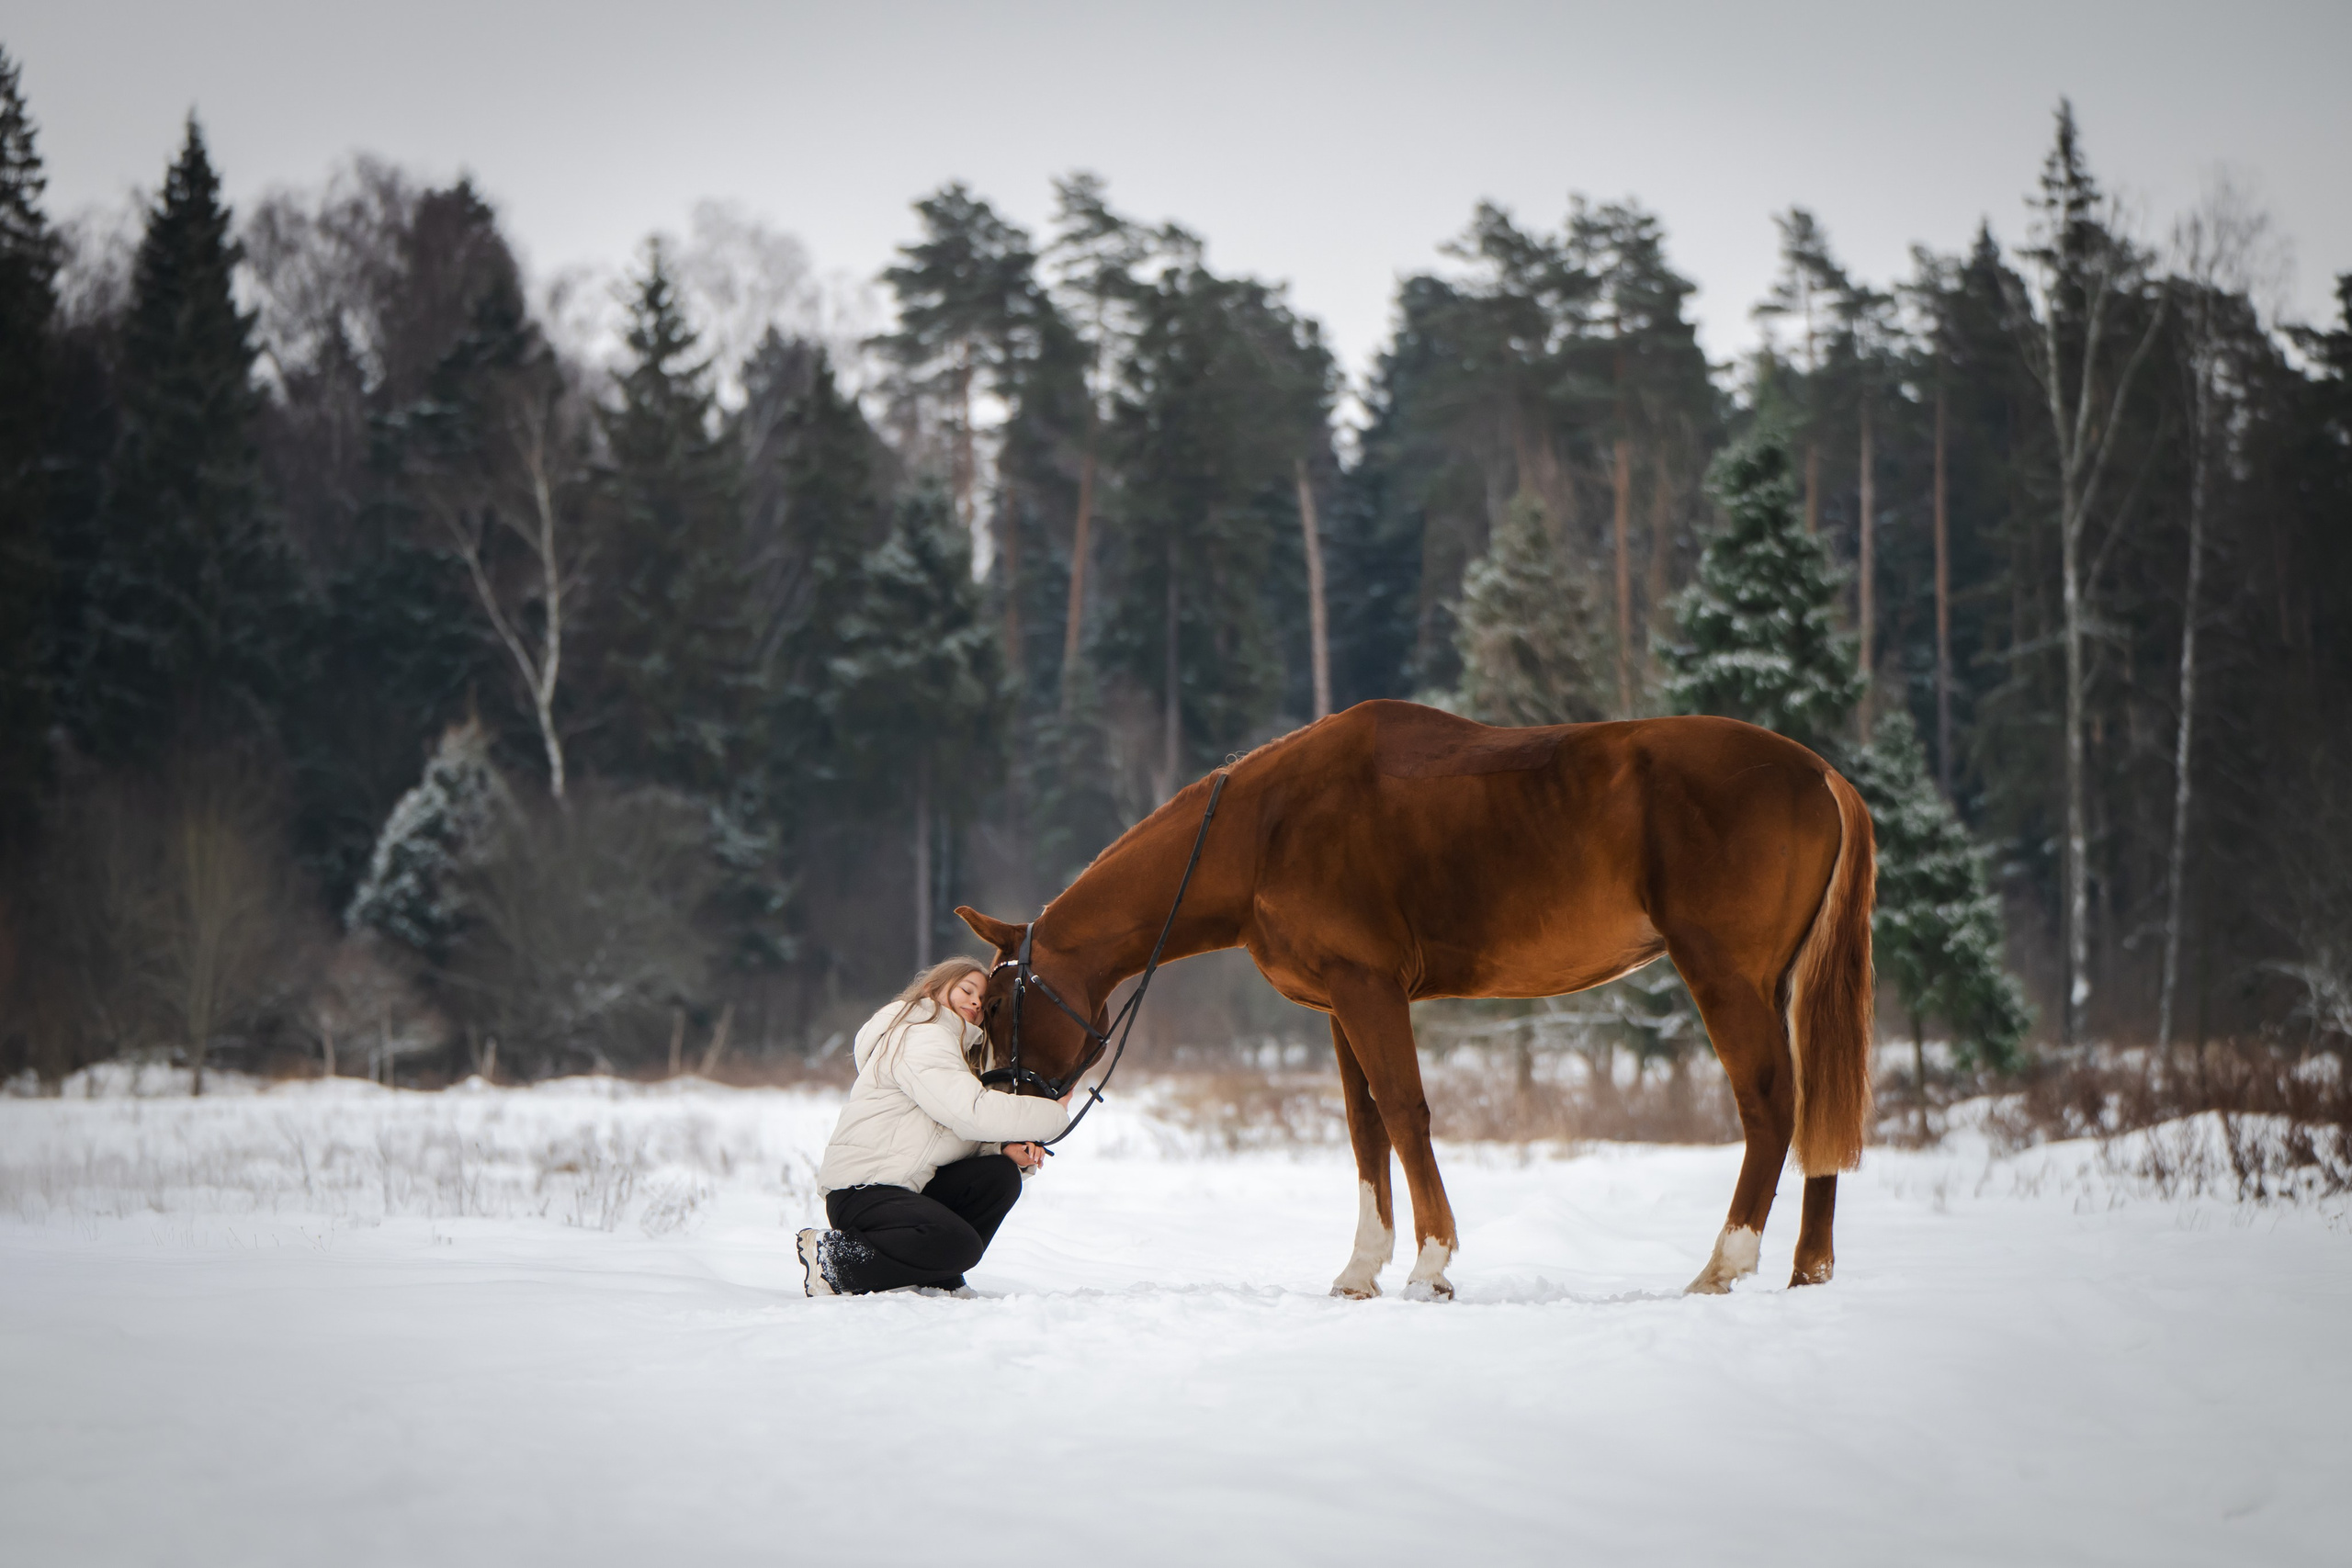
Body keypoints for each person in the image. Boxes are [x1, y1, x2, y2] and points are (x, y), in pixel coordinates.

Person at [800, 958, 1069, 1296]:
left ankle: (936, 1277)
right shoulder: (919, 1036)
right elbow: (971, 1113)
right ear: (933, 989)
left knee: (999, 1175)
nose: (975, 1002)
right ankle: (835, 1262)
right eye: (966, 990)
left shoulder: (953, 1051)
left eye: (982, 1001)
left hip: (905, 1190)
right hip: (865, 1191)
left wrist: (1000, 1149)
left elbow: (947, 1130)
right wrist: (1054, 1113)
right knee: (962, 1245)